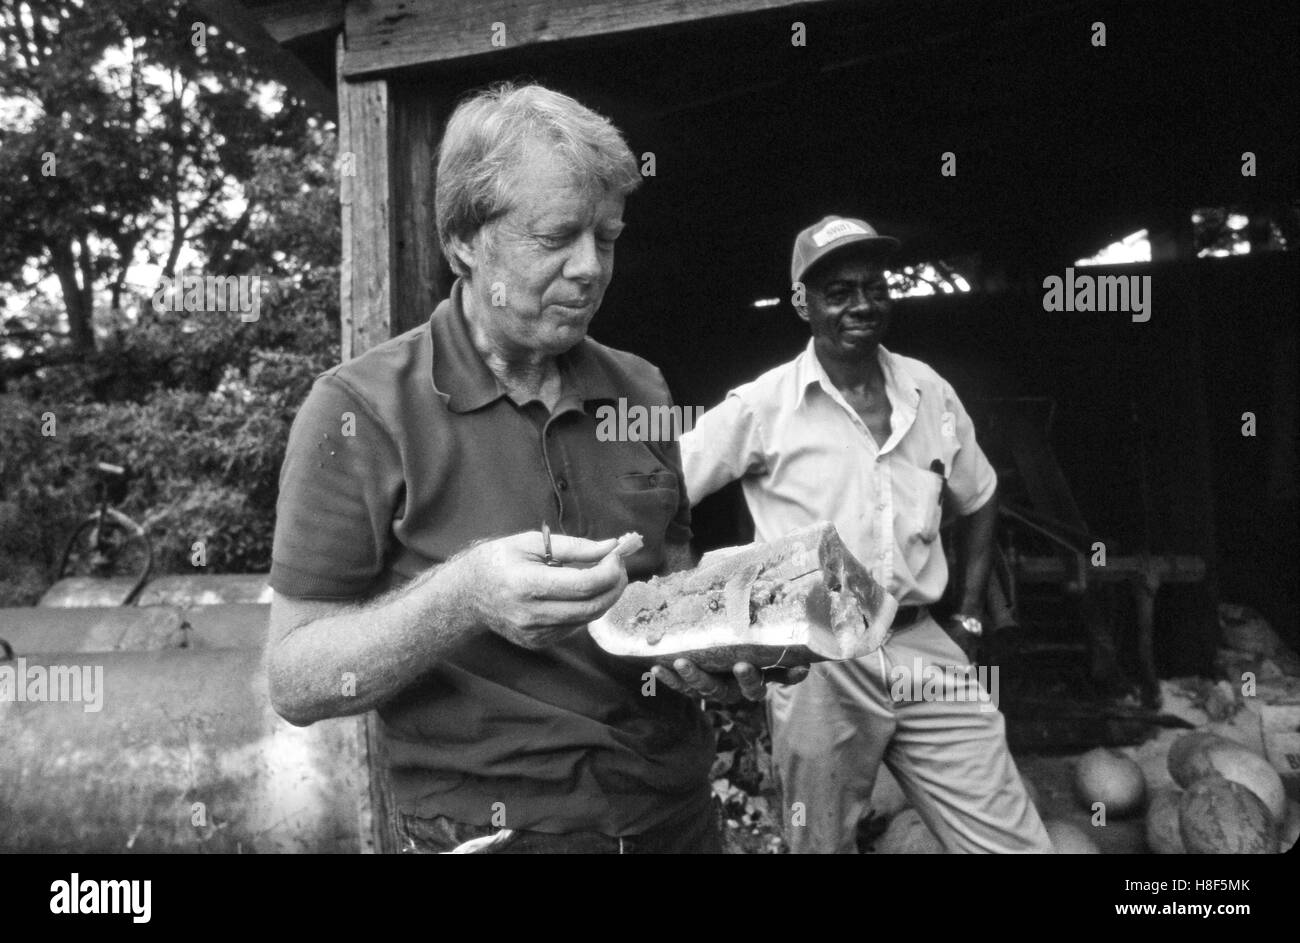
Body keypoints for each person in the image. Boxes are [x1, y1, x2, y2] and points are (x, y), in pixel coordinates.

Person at [265, 83, 790, 854]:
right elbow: (294, 679)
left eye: (607, 237)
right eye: (557, 237)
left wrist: (719, 648)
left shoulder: (641, 387)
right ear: (465, 243)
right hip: (488, 831)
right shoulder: (359, 410)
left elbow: (668, 582)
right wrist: (463, 595)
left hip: (674, 818)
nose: (591, 269)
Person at [681, 215, 1053, 854]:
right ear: (803, 304)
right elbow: (668, 491)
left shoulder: (928, 390)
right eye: (839, 291)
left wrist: (966, 615)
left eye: (874, 287)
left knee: (1012, 844)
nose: (862, 304)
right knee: (819, 845)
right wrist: (702, 611)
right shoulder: (763, 405)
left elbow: (981, 494)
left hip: (921, 644)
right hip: (818, 665)